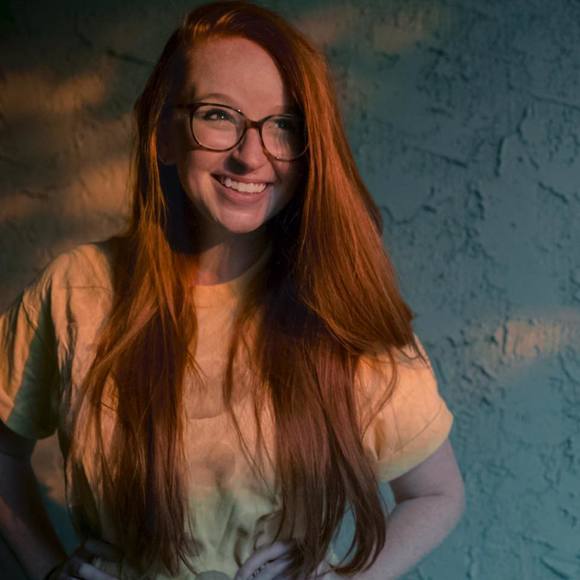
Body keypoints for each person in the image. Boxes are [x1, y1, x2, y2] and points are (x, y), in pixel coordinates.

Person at [0, 2, 465, 579]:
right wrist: (47, 570)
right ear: (163, 133)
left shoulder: (339, 309)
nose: (251, 155)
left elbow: (437, 493)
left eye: (284, 124)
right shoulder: (76, 289)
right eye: (219, 115)